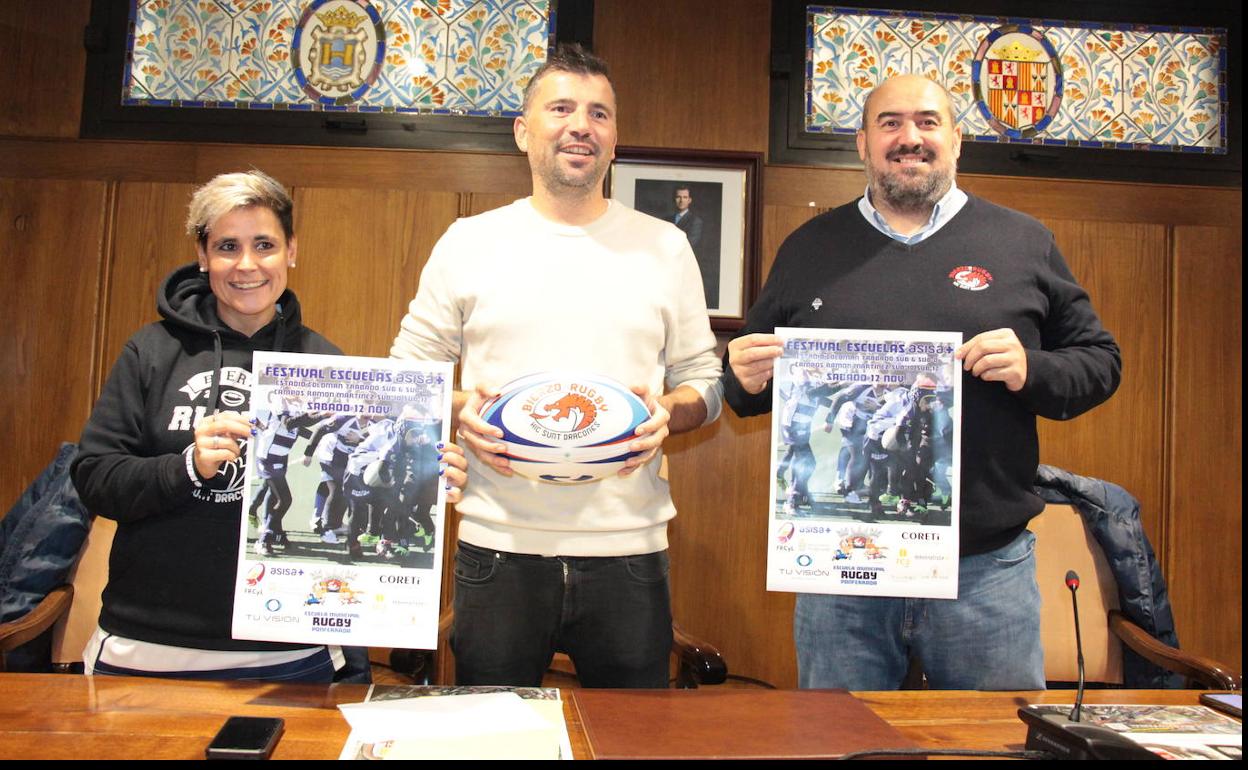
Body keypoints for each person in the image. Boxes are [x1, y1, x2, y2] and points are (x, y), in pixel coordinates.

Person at [724, 74, 1121, 691]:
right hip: (841, 573)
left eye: (928, 122)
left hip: (984, 570)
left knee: (991, 747)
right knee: (840, 746)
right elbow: (751, 391)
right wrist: (744, 378)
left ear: (957, 140)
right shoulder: (809, 246)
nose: (910, 138)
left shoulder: (1022, 242)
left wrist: (1032, 369)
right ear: (862, 142)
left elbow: (1101, 362)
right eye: (890, 123)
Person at [391, 44, 722, 688]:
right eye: (562, 108)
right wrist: (463, 411)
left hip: (628, 555)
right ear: (524, 131)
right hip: (497, 548)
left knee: (630, 743)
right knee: (490, 742)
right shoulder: (469, 242)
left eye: (600, 114)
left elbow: (705, 386)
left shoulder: (667, 247)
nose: (581, 125)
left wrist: (667, 414)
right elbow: (407, 381)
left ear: (614, 137)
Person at [71, 170, 467, 681]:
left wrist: (428, 476)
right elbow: (95, 479)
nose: (247, 265)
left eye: (264, 244)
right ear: (203, 255)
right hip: (147, 645)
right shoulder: (151, 351)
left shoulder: (328, 365)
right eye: (227, 246)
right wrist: (185, 467)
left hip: (289, 657)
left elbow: (378, 447)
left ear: (291, 251)